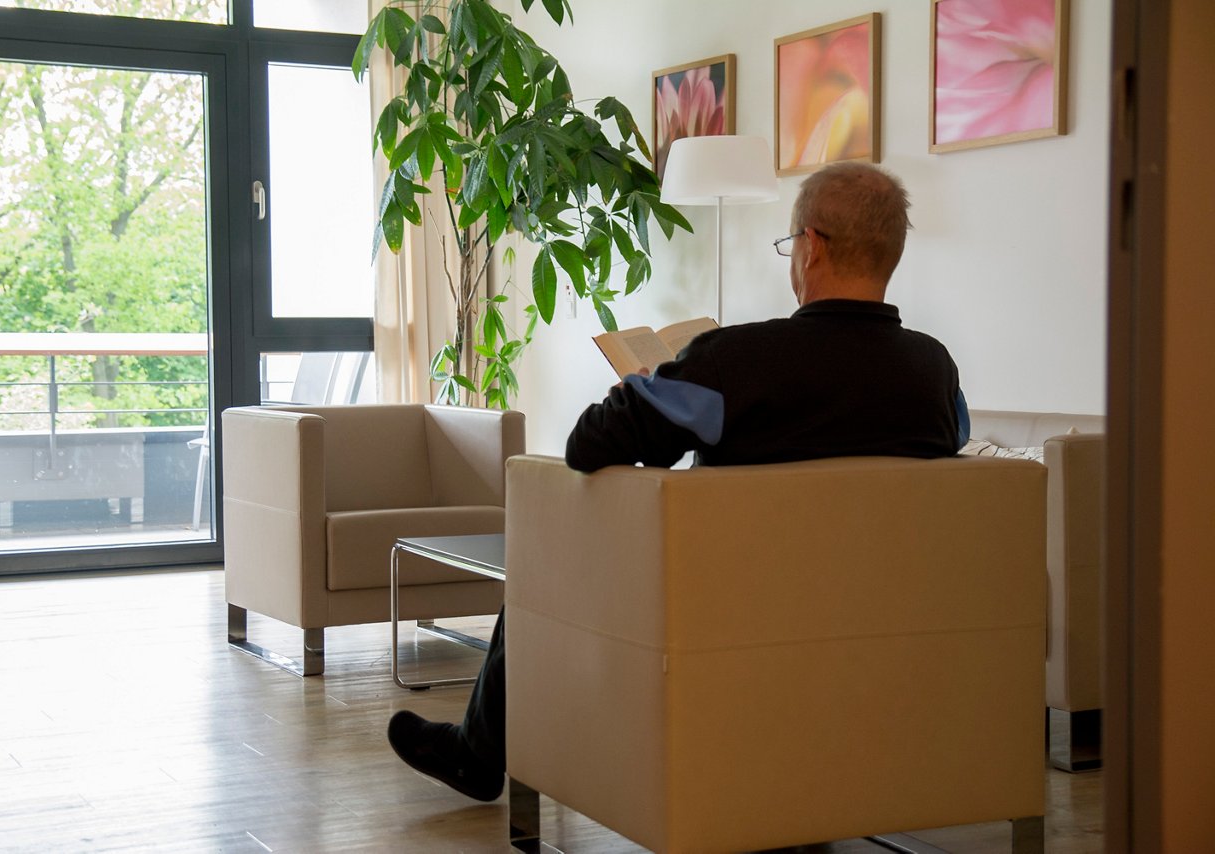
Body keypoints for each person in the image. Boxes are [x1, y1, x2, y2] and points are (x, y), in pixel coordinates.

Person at [386, 161, 970, 802]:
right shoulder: (934, 374)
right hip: (877, 622)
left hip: (724, 616)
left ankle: (478, 751)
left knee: (547, 551)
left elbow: (590, 445)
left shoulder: (737, 362)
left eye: (790, 243)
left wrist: (642, 387)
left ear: (813, 245)